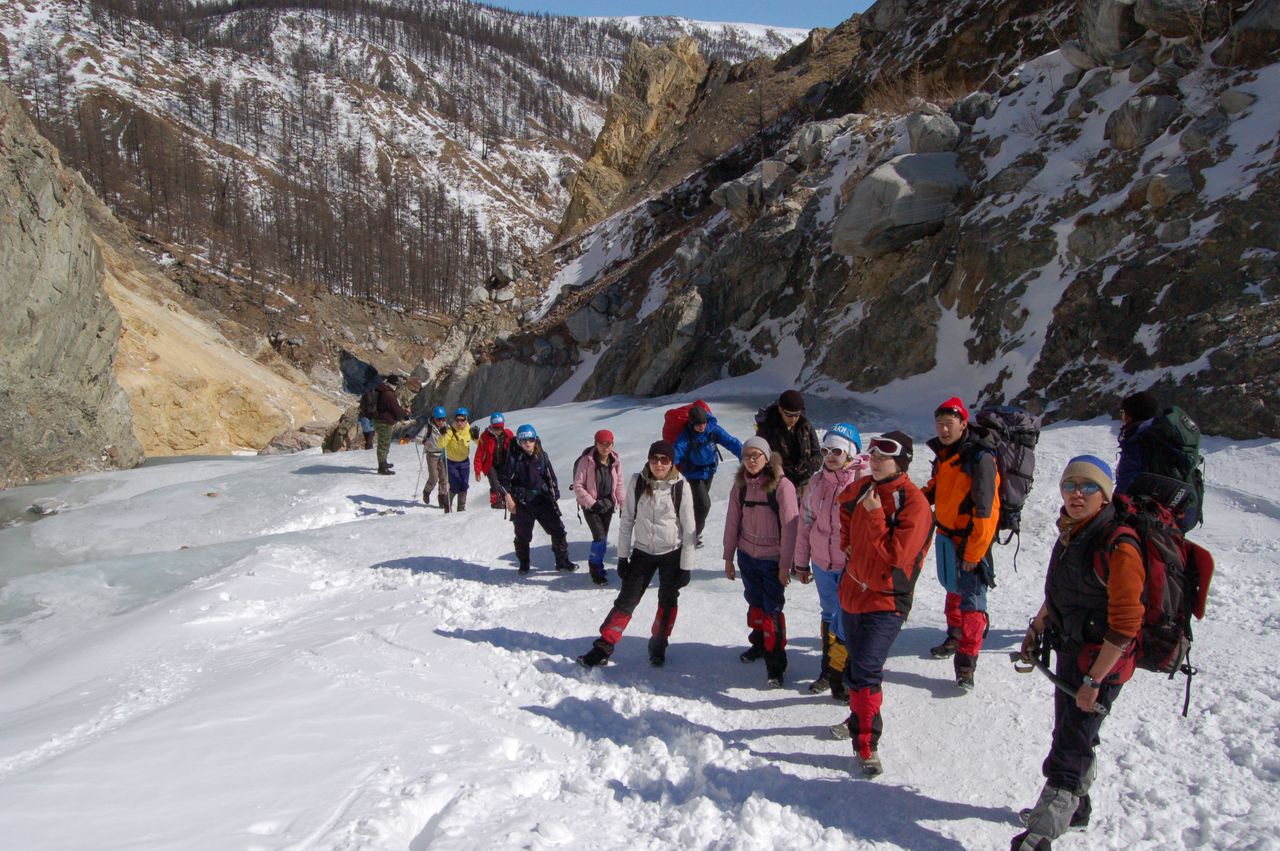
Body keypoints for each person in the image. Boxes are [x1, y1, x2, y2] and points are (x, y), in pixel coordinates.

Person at [1012, 456, 1143, 851]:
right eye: (1070, 486)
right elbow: (1060, 594)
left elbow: (1125, 626)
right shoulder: (1074, 533)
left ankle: (1042, 832)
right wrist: (1037, 627)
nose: (1076, 494)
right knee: (1071, 731)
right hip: (1073, 652)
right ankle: (1078, 809)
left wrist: (1094, 681)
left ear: (1105, 496)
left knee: (1071, 742)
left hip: (1102, 664)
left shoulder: (1119, 546)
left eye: (1088, 487)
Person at [836, 431, 932, 778]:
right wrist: (847, 544)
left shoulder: (914, 503)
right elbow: (844, 508)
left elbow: (897, 557)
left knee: (865, 670)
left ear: (901, 462)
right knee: (856, 664)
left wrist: (875, 517)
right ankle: (857, 718)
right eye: (872, 454)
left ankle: (866, 743)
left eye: (883, 456)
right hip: (853, 592)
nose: (874, 460)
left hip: (887, 600)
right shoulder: (864, 489)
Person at [577, 440, 696, 668]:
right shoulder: (638, 482)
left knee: (668, 602)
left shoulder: (681, 486)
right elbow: (627, 521)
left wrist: (686, 566)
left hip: (672, 553)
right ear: (648, 460)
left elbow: (689, 529)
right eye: (654, 459)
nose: (659, 464)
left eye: (664, 460)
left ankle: (659, 645)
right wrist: (622, 557)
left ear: (671, 462)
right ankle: (603, 647)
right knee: (626, 602)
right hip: (642, 553)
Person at [923, 396, 1000, 690]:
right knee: (952, 589)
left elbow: (987, 510)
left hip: (970, 540)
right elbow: (936, 489)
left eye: (949, 424)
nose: (943, 430)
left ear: (963, 424)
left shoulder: (980, 458)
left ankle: (966, 665)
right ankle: (955, 636)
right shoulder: (947, 454)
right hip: (947, 536)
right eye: (939, 424)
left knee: (971, 601)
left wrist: (975, 550)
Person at [794, 422, 868, 700]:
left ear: (850, 453)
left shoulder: (863, 483)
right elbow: (805, 523)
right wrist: (801, 562)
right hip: (822, 563)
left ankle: (846, 672)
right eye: (825, 450)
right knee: (829, 614)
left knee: (849, 619)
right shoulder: (816, 483)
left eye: (837, 450)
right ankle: (828, 670)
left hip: (851, 566)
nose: (830, 456)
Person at [723, 435, 800, 688]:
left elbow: (790, 528)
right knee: (755, 603)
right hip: (747, 556)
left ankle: (776, 664)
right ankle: (759, 644)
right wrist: (728, 557)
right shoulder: (741, 485)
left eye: (756, 455)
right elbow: (732, 521)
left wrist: (784, 565)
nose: (751, 460)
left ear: (767, 457)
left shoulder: (782, 486)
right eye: (747, 456)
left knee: (772, 609)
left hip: (772, 559)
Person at [498, 424, 577, 574]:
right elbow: (503, 480)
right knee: (523, 536)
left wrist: (554, 496)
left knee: (558, 530)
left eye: (531, 439)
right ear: (519, 442)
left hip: (542, 499)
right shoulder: (513, 458)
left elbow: (550, 477)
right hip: (522, 502)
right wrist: (508, 499)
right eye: (524, 440)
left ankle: (562, 561)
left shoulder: (542, 456)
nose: (528, 443)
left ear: (535, 440)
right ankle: (524, 563)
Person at [673, 404, 742, 548]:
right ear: (692, 423)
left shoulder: (713, 430)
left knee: (696, 504)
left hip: (709, 471)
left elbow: (731, 442)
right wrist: (665, 468)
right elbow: (677, 451)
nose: (702, 427)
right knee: (704, 505)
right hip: (693, 473)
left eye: (703, 423)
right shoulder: (686, 435)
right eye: (698, 424)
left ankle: (686, 530)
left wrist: (745, 457)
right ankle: (692, 536)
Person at [572, 429, 625, 585]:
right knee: (600, 537)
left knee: (602, 538)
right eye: (602, 444)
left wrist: (623, 504)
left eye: (608, 444)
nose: (605, 447)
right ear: (596, 443)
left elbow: (619, 485)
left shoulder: (615, 461)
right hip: (591, 506)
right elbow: (578, 486)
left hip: (608, 505)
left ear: (612, 444)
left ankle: (598, 565)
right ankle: (595, 569)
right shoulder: (586, 461)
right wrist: (592, 503)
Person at [755, 389, 823, 499]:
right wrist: (782, 470)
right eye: (789, 415)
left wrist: (811, 465)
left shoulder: (805, 426)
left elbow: (818, 454)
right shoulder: (767, 429)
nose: (794, 419)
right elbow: (759, 459)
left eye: (797, 415)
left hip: (804, 486)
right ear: (780, 409)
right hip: (778, 487)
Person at [475, 413, 515, 510]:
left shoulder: (508, 434)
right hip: (490, 464)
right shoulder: (485, 436)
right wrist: (477, 471)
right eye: (496, 428)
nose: (499, 430)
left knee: (505, 482)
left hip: (504, 463)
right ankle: (496, 503)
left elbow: (515, 447)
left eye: (501, 427)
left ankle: (507, 500)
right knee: (494, 483)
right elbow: (479, 454)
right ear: (491, 426)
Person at [373, 375, 410, 475]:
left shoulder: (383, 391)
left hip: (381, 420)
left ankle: (383, 463)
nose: (396, 387)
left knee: (385, 443)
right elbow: (396, 409)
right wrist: (405, 415)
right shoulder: (389, 394)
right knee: (384, 444)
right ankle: (381, 467)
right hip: (385, 422)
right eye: (396, 384)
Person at [439, 407, 473, 512]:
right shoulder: (450, 430)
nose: (459, 422)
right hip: (451, 462)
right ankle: (447, 505)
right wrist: (442, 435)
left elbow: (479, 443)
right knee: (455, 484)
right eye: (457, 420)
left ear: (466, 419)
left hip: (464, 462)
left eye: (462, 420)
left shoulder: (469, 430)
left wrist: (476, 437)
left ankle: (461, 508)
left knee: (464, 484)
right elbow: (441, 444)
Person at [421, 405, 451, 510]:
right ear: (434, 418)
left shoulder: (447, 427)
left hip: (442, 454)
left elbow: (451, 436)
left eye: (443, 419)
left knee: (444, 477)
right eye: (439, 419)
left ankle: (442, 499)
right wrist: (425, 442)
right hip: (431, 455)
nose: (441, 421)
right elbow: (418, 438)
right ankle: (426, 491)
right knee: (434, 476)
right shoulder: (428, 428)